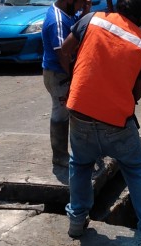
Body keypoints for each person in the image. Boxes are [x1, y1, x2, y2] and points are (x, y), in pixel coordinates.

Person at [59, 0, 141, 246]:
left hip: (79, 112)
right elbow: (136, 93)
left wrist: (77, 78)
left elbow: (64, 50)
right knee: (136, 170)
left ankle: (76, 222)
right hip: (116, 123)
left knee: (80, 165)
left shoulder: (91, 19)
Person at [41, 0, 90, 169]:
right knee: (60, 112)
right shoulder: (57, 21)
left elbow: (75, 22)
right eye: (79, 3)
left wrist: (84, 11)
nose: (80, 7)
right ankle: (59, 155)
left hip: (59, 72)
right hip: (58, 73)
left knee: (68, 110)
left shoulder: (66, 13)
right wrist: (73, 76)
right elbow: (63, 53)